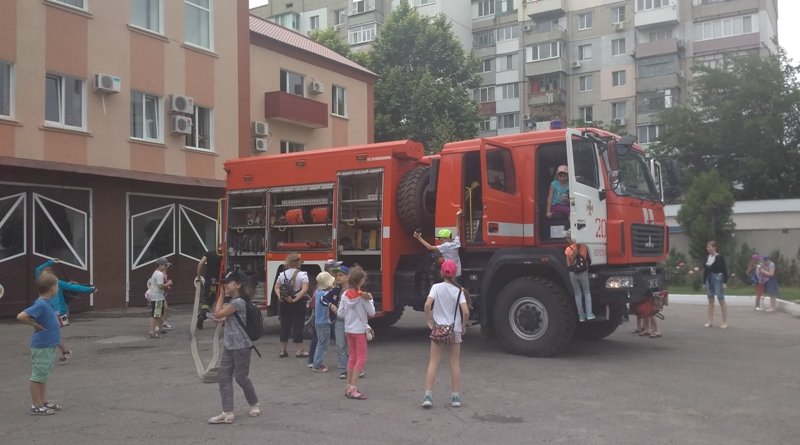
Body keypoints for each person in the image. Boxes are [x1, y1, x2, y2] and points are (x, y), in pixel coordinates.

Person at [208, 269, 260, 424]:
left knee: (241, 378)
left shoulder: (238, 302)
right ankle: (228, 411)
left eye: (227, 283)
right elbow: (231, 318)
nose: (225, 286)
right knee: (224, 377)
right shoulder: (235, 303)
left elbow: (218, 313)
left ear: (238, 284)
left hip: (242, 346)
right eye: (224, 284)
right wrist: (224, 320)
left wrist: (221, 295)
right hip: (230, 345)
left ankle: (254, 403)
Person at [421, 259, 470, 409]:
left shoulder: (435, 287)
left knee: (433, 361)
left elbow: (428, 304)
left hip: (438, 328)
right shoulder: (459, 291)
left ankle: (428, 396)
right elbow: (466, 311)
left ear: (441, 272)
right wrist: (463, 325)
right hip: (454, 329)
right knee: (454, 362)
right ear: (455, 274)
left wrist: (428, 320)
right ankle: (455, 397)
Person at [17, 272, 63, 415]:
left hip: (49, 346)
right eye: (57, 285)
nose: (58, 288)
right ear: (52, 288)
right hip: (41, 346)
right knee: (38, 376)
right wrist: (35, 325)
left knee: (43, 375)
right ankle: (36, 405)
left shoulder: (47, 303)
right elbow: (21, 316)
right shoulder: (41, 304)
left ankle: (43, 402)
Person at [34, 258, 96, 364]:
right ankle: (65, 352)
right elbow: (38, 269)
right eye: (43, 275)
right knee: (49, 332)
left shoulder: (58, 283)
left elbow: (74, 287)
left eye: (46, 275)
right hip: (49, 312)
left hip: (61, 312)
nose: (43, 277)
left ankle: (56, 354)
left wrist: (90, 290)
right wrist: (51, 261)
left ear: (52, 276)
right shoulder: (41, 282)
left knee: (48, 332)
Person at [338, 266, 375, 400]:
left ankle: (348, 386)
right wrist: (370, 300)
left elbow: (340, 313)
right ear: (362, 280)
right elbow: (372, 312)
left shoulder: (345, 294)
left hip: (348, 329)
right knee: (361, 358)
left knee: (352, 356)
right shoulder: (363, 297)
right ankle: (353, 388)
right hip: (359, 330)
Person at [273, 253, 309, 358]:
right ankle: (299, 350)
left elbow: (276, 287)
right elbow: (304, 289)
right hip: (298, 303)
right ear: (298, 262)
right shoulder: (303, 275)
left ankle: (283, 350)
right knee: (298, 326)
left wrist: (280, 297)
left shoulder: (282, 274)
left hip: (284, 302)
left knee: (285, 325)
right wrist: (296, 299)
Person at [328, 263, 354, 379]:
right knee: (340, 345)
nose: (337, 277)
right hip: (339, 321)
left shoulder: (353, 290)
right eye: (336, 275)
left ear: (348, 277)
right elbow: (324, 298)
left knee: (352, 346)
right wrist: (331, 305)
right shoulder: (336, 290)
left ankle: (355, 368)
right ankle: (344, 369)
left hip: (351, 322)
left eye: (340, 275)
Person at [564, 231, 594, 322]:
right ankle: (589, 314)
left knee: (578, 294)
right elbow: (589, 258)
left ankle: (581, 316)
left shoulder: (567, 249)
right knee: (587, 293)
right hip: (583, 272)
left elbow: (568, 264)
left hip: (573, 273)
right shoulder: (583, 246)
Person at [310, 271, 336, 373]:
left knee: (320, 343)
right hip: (324, 322)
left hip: (318, 322)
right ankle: (317, 364)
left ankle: (316, 362)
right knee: (323, 344)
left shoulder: (317, 292)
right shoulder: (325, 294)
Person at [703, 241, 728, 329]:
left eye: (709, 247)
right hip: (709, 280)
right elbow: (706, 270)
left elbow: (724, 270)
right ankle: (710, 321)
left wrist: (724, 282)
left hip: (718, 279)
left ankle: (724, 322)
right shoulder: (708, 257)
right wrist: (704, 282)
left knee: (721, 300)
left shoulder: (719, 257)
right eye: (707, 247)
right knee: (710, 300)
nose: (708, 249)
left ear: (715, 247)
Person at [146, 258, 173, 338]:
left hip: (157, 297)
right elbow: (160, 286)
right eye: (165, 265)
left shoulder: (156, 273)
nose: (166, 267)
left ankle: (160, 329)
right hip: (157, 297)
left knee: (159, 314)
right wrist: (169, 283)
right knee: (156, 315)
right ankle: (152, 332)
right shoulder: (160, 274)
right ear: (160, 265)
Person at [196, 246, 222, 329]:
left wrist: (199, 277)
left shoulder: (209, 253)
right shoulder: (223, 255)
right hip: (220, 281)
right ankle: (222, 319)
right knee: (221, 301)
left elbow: (200, 263)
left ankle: (202, 315)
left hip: (210, 282)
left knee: (207, 301)